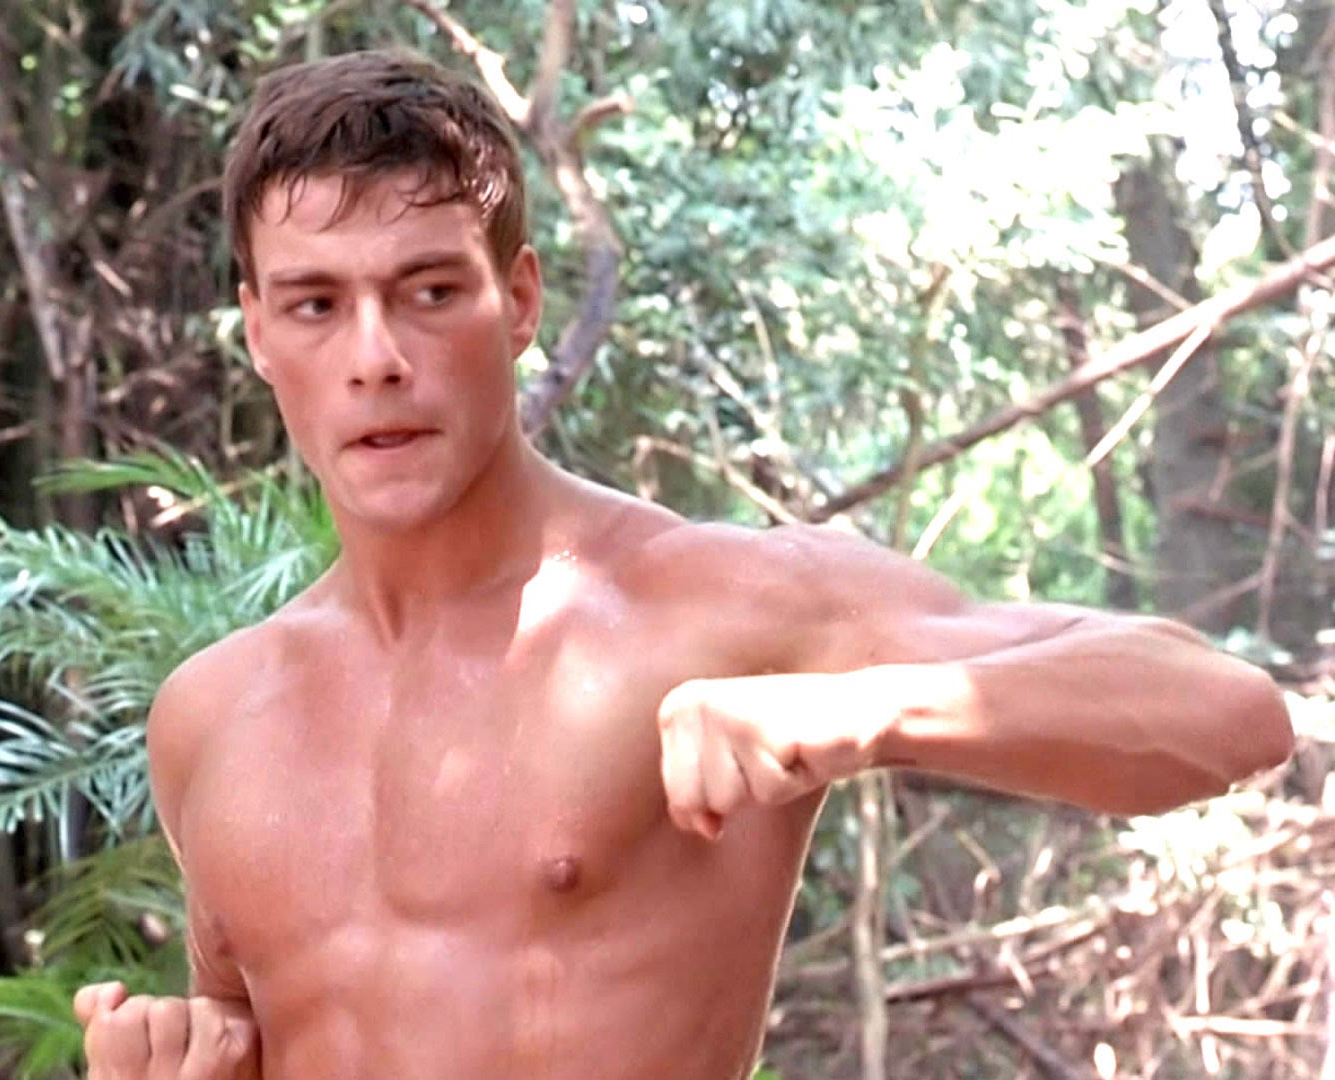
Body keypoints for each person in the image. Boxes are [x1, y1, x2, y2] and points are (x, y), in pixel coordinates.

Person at [70, 49, 1295, 1080]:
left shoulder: (713, 606)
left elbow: (1229, 715)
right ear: (258, 331)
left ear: (520, 300)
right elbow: (269, 1040)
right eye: (316, 306)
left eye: (430, 290)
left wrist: (867, 711)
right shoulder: (211, 717)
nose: (375, 356)